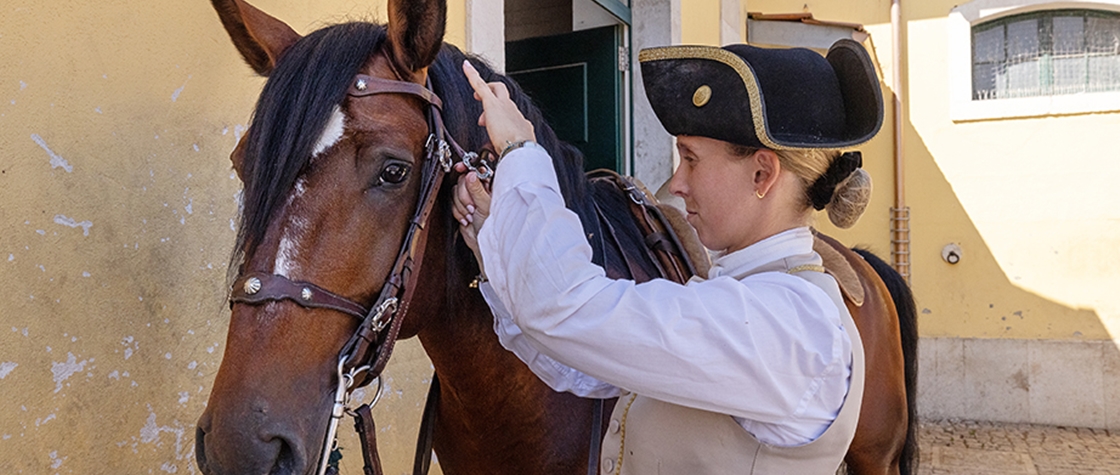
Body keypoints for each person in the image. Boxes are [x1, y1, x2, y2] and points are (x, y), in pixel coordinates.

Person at [453, 39, 883, 474]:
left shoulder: (790, 323)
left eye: (691, 160)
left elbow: (565, 304)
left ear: (762, 173)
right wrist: (493, 241)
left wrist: (521, 152)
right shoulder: (749, 301)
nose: (676, 183)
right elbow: (583, 365)